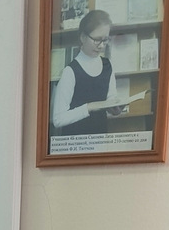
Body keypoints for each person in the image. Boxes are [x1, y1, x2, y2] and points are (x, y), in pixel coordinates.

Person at [52, 10, 130, 139]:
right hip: (76, 142)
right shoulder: (70, 71)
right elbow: (58, 119)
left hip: (99, 138)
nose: (101, 46)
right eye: (97, 40)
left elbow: (110, 98)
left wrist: (114, 108)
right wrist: (90, 107)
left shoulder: (107, 66)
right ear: (83, 37)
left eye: (105, 40)